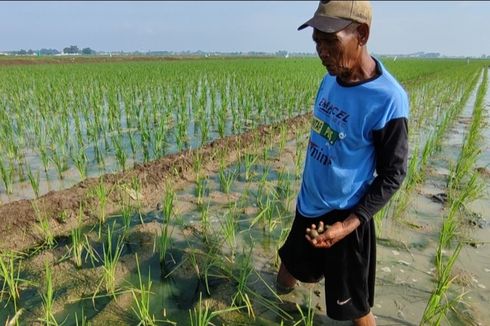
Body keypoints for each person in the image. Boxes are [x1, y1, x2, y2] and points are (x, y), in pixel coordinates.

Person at [276, 1, 409, 325]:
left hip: (345, 218)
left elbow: (393, 174)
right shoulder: (330, 80)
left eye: (330, 41)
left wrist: (347, 226)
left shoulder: (387, 99)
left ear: (361, 34)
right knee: (285, 276)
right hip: (309, 206)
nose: (321, 51)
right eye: (317, 41)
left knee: (354, 308)